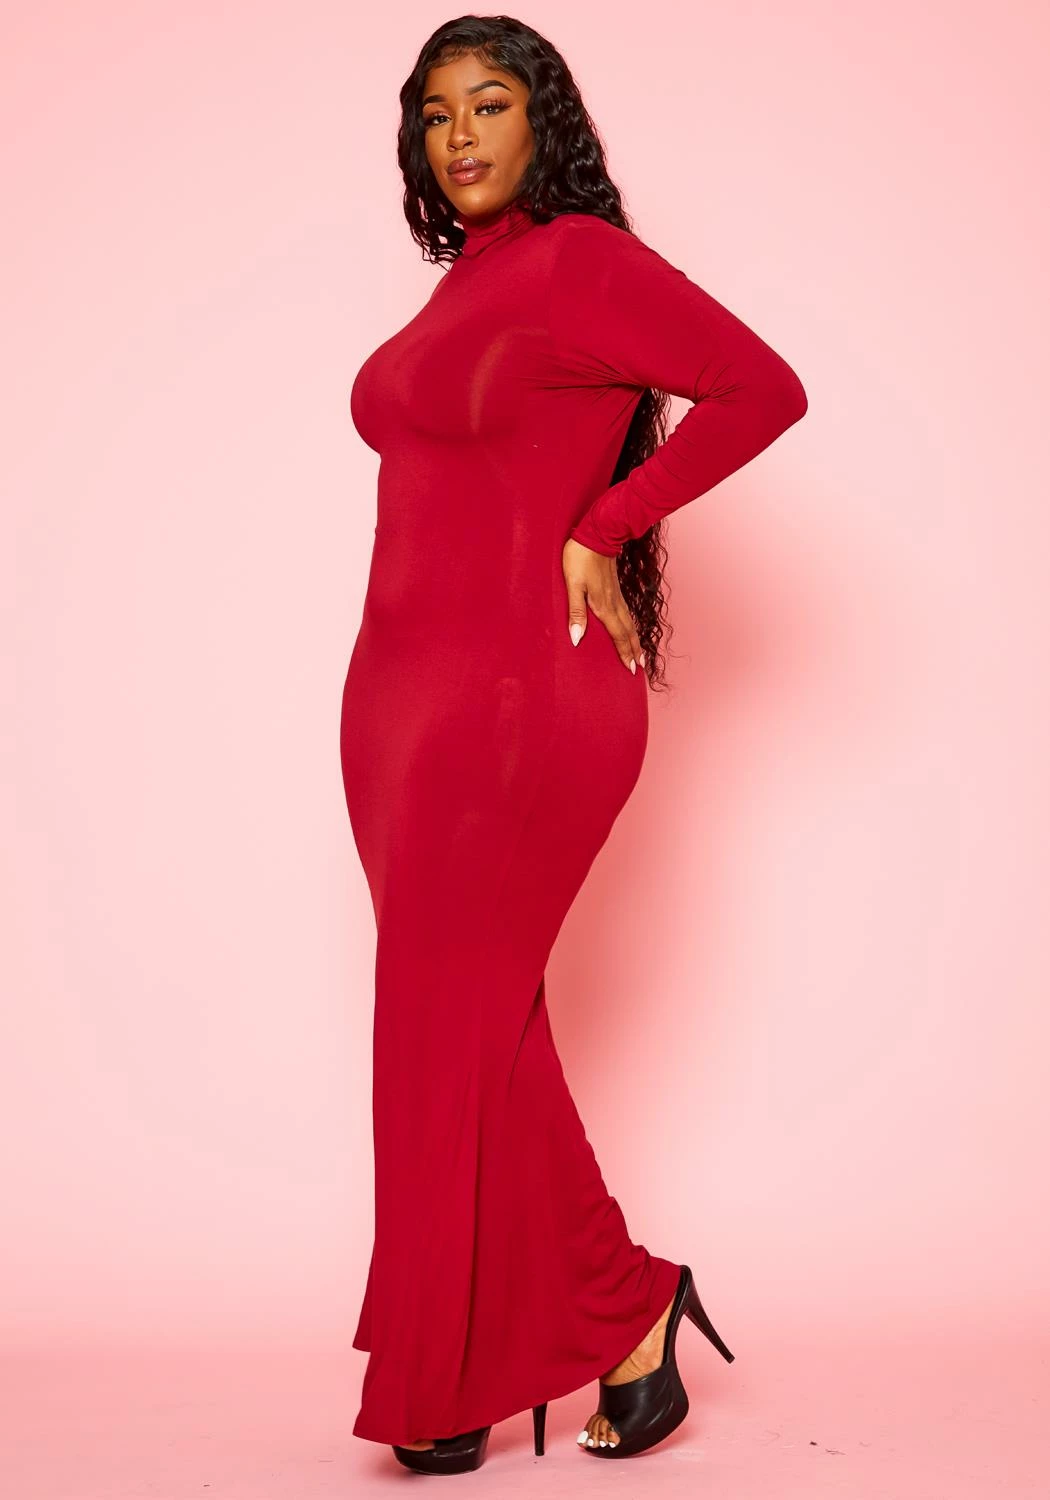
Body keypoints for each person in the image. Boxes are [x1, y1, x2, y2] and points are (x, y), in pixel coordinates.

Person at [340, 16, 808, 1475]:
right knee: (465, 1030)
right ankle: (621, 1315)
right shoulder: (462, 288)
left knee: (445, 1028)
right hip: (397, 705)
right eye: (436, 114)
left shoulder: (580, 264)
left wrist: (606, 523)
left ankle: (469, 1368)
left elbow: (763, 387)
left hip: (519, 701)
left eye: (491, 104)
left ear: (544, 121)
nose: (461, 135)